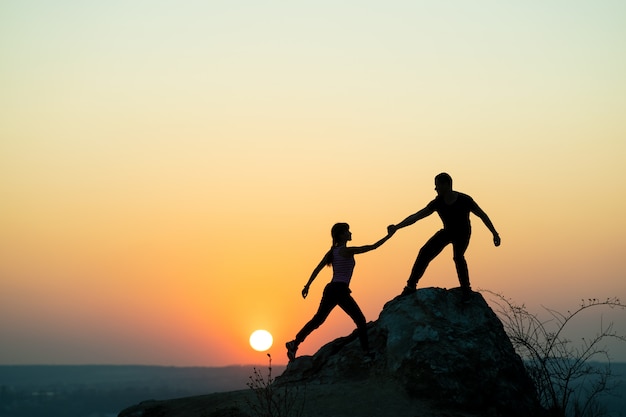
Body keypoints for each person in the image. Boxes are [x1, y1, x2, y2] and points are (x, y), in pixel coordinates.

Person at [286, 223, 395, 362]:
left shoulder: (332, 252)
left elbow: (317, 269)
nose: (350, 233)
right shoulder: (346, 251)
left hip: (331, 289)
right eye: (347, 231)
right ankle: (366, 353)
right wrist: (389, 235)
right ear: (342, 234)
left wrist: (307, 286)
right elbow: (371, 247)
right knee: (360, 320)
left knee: (318, 319)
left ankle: (294, 343)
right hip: (339, 289)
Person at [388, 173, 500, 298]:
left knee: (458, 257)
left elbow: (482, 215)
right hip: (447, 232)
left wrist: (494, 233)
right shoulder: (437, 202)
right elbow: (417, 216)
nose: (435, 189)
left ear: (446, 185)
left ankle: (466, 290)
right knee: (425, 251)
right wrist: (397, 227)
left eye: (437, 186)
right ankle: (410, 286)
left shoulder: (465, 200)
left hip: (463, 233)